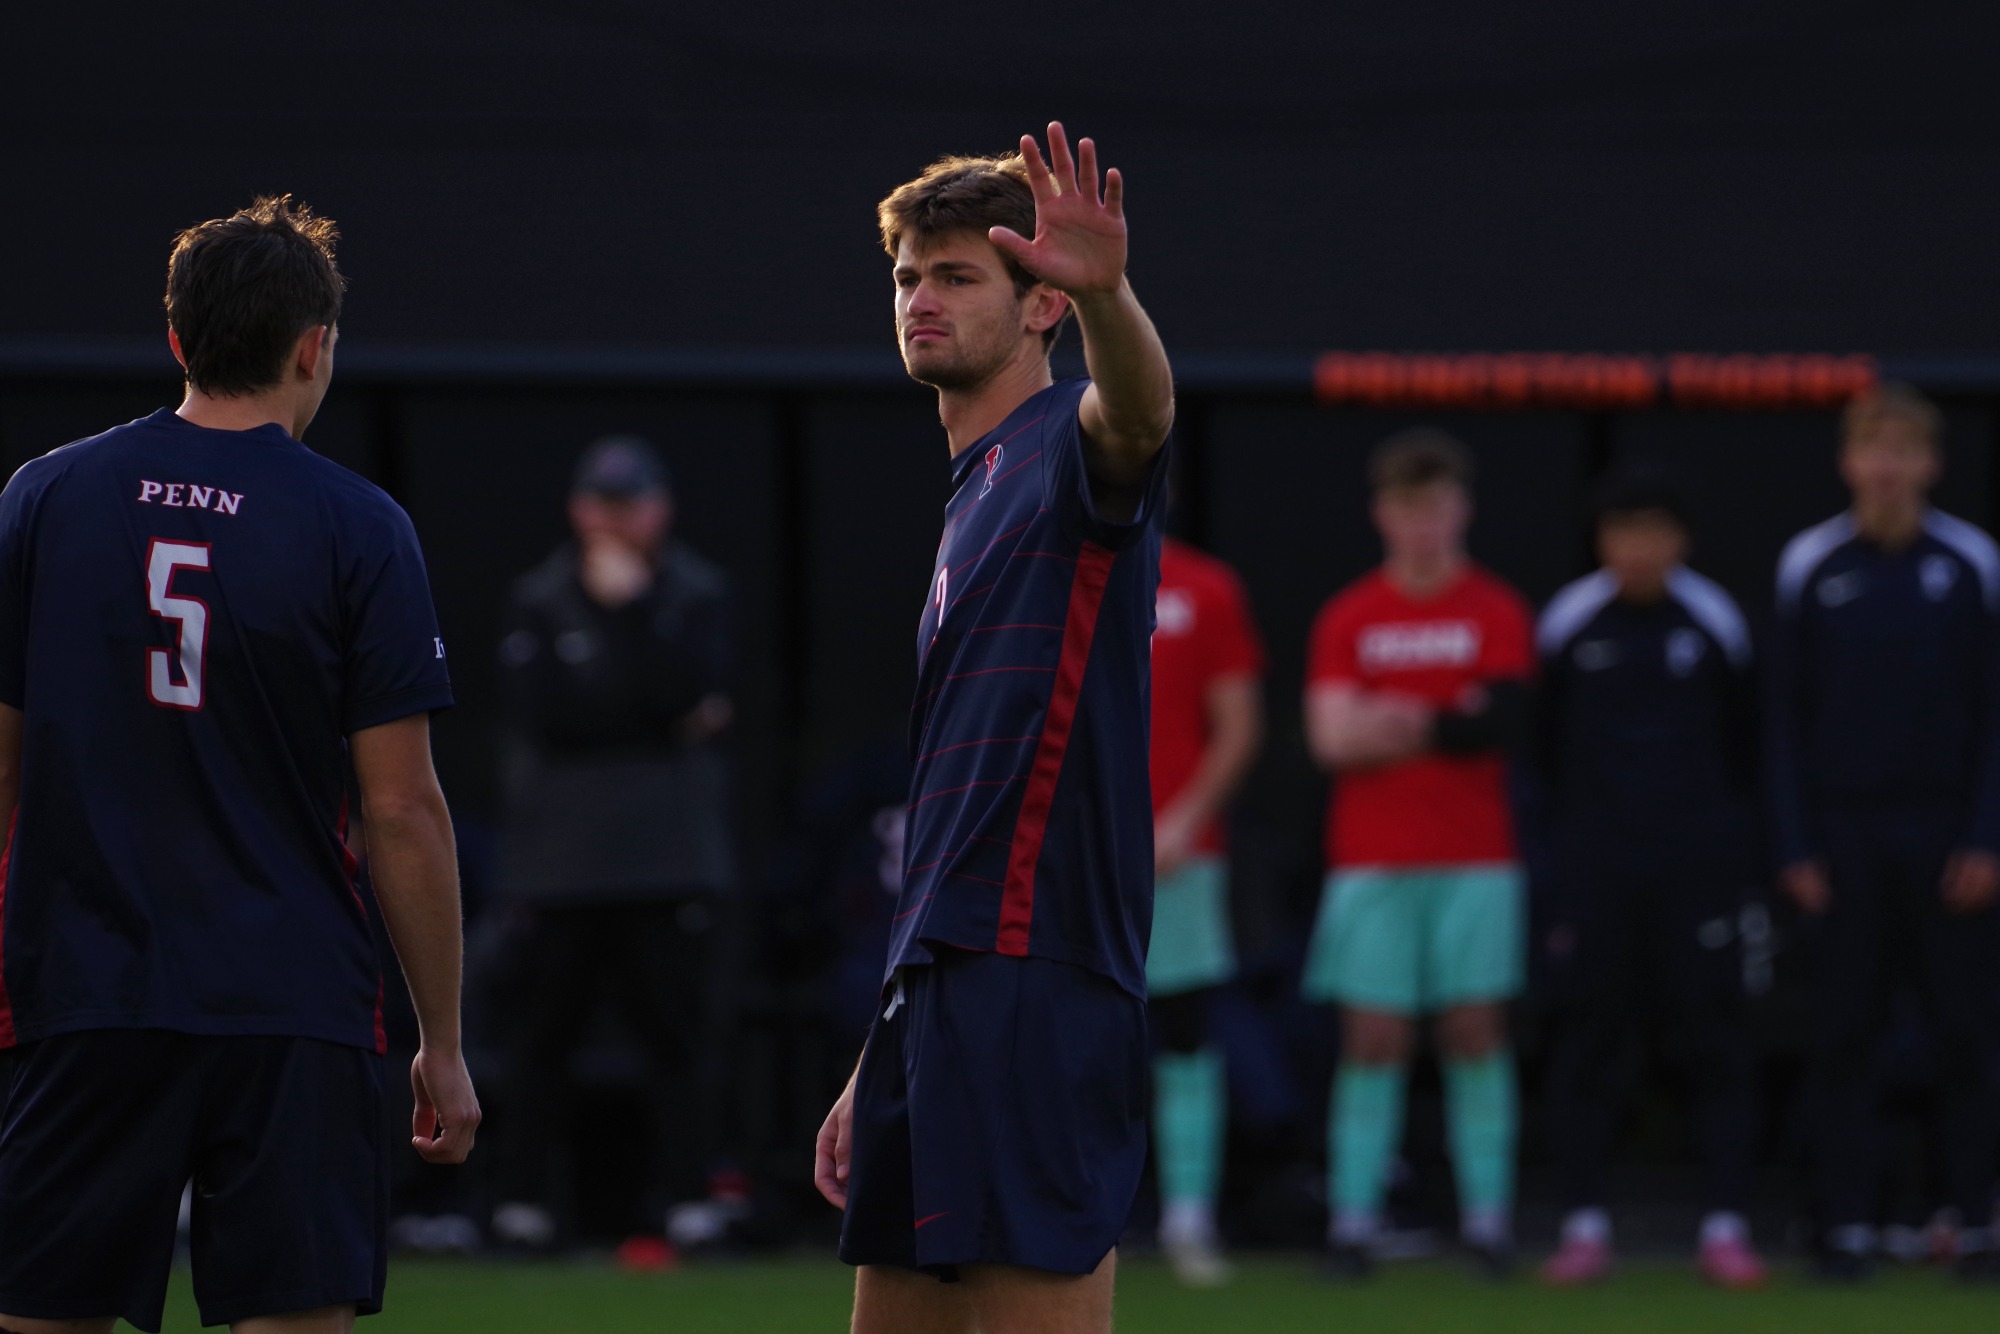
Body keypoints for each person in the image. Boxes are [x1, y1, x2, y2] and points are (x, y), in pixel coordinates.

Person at [0, 196, 478, 1334]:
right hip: (290, 999)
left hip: (85, 988)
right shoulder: (358, 525)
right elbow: (401, 805)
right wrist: (443, 1041)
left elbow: (1, 772)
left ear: (178, 338)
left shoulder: (47, 495)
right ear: (312, 345)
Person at [813, 123, 1174, 1334]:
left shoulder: (1065, 443)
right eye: (910, 274)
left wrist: (1109, 291)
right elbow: (957, 821)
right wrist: (880, 1045)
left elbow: (1139, 419)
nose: (922, 296)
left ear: (1039, 310)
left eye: (958, 274)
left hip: (1038, 974)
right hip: (940, 983)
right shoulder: (971, 489)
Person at [1768, 383, 2000, 1282]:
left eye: (1906, 449)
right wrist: (1794, 845)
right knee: (1841, 1039)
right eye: (1875, 447)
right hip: (1845, 837)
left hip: (1948, 835)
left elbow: (1993, 718)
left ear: (1933, 464)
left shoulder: (1975, 563)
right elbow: (1784, 721)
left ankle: (1974, 1224)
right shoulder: (1810, 566)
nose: (1889, 466)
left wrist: (1988, 836)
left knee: (1966, 1040)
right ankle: (1847, 1227)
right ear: (1848, 461)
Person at [490, 437, 734, 1255]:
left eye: (632, 503)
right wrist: (655, 717)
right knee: (543, 1038)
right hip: (562, 866)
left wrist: (629, 619)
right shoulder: (539, 596)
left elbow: (688, 693)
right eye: (604, 503)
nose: (618, 521)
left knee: (676, 1034)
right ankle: (520, 1204)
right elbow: (549, 716)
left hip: (667, 859)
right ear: (579, 508)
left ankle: (690, 1201)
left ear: (659, 507)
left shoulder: (696, 591)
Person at [1302, 429, 1533, 1279]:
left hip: (1476, 857)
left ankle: (1488, 1224)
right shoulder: (1350, 615)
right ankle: (1354, 1224)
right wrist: (1446, 717)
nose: (1423, 524)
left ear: (1460, 509)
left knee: (1475, 1031)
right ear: (1382, 515)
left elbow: (1500, 722)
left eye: (1436, 505)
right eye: (1407, 507)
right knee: (1373, 1037)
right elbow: (1331, 737)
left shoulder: (1497, 609)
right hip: (1372, 858)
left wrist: (1400, 718)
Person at [1533, 467, 1767, 1288]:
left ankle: (1727, 1226)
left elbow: (1748, 756)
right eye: (1623, 532)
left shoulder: (1714, 622)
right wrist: (1561, 870)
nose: (1639, 549)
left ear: (1681, 541)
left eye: (1655, 532)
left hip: (1697, 881)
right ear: (1603, 543)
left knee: (1717, 1046)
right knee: (1587, 1050)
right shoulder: (1569, 623)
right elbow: (1545, 759)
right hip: (1597, 880)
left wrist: (1735, 865)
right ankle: (1584, 1226)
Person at [1147, 534, 1266, 1285]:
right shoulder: (1047, 568)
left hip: (1178, 854)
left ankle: (1189, 1220)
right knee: (1062, 1032)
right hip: (1067, 859)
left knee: (1185, 1030)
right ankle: (1064, 1217)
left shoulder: (1206, 587)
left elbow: (1239, 723)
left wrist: (1185, 820)